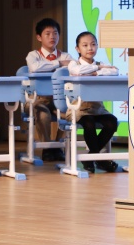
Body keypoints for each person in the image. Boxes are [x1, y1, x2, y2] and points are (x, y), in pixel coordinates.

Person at [67, 31, 120, 174]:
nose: (90, 48)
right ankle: (100, 160)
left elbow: (115, 71)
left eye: (93, 44)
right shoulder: (74, 63)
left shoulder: (101, 63)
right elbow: (78, 71)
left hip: (98, 109)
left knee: (112, 122)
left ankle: (91, 157)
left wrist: (96, 72)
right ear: (78, 49)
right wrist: (99, 68)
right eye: (85, 45)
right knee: (89, 122)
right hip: (78, 109)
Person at [24, 17, 72, 161]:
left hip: (60, 99)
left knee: (69, 113)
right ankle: (47, 147)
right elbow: (35, 68)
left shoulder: (66, 56)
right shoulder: (33, 55)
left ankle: (57, 146)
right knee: (43, 114)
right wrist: (59, 64)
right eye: (48, 33)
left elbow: (72, 68)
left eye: (55, 33)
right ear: (39, 37)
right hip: (36, 99)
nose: (52, 37)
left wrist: (60, 63)